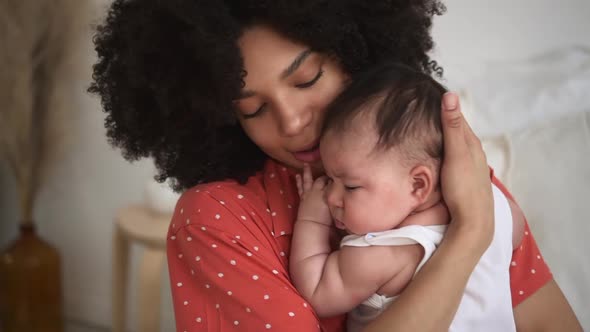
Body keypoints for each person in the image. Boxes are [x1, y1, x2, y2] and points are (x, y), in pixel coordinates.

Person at [88, 0, 581, 331]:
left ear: (353, 50)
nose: (293, 120)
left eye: (307, 78)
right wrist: (470, 232)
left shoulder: (436, 167)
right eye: (252, 109)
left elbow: (548, 319)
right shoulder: (217, 220)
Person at [290, 62, 524, 332]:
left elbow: (317, 291)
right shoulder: (491, 206)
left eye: (350, 186)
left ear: (417, 185)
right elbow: (515, 233)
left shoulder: (382, 252)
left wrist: (311, 220)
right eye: (330, 180)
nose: (331, 197)